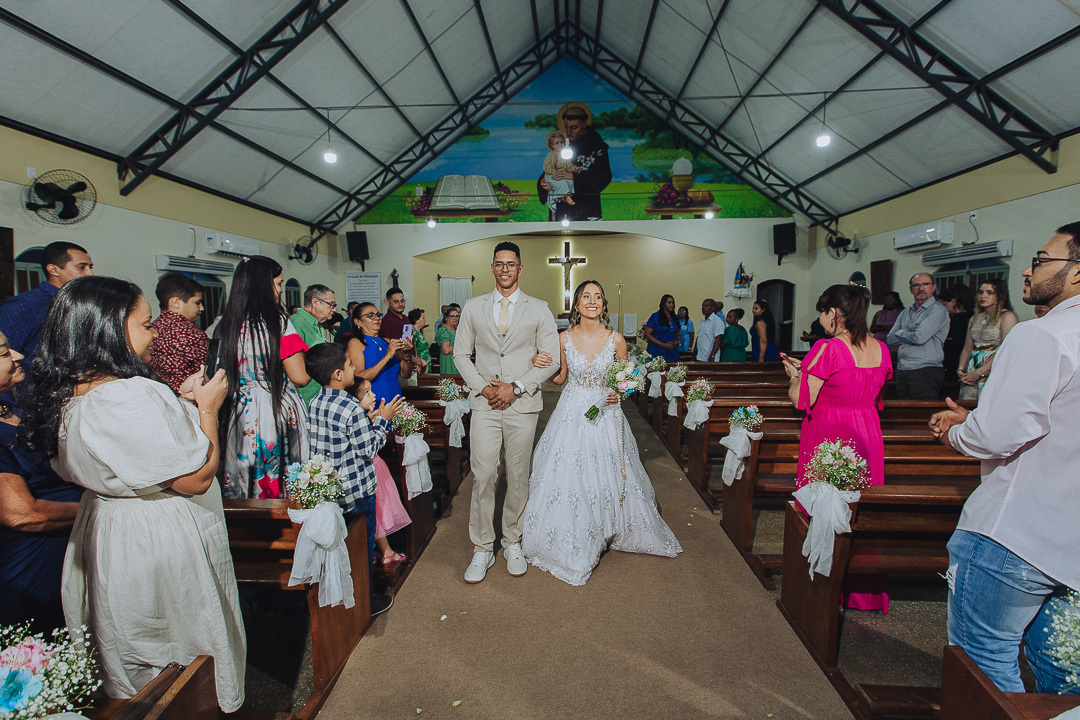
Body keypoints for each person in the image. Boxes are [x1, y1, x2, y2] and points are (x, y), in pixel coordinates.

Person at [18, 276, 245, 711]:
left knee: (126, 637)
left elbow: (129, 451)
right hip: (154, 532)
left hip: (108, 528)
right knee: (176, 640)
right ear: (108, 330)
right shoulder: (129, 396)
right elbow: (196, 476)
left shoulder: (70, 390)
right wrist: (207, 408)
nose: (156, 332)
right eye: (145, 324)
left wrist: (177, 403)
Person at [929, 223, 1080, 695]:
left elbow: (997, 434)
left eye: (1040, 259)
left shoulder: (1044, 334)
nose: (1029, 269)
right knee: (1061, 674)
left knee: (983, 665)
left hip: (1016, 531)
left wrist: (957, 430)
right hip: (1071, 539)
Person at [522, 280, 682, 585]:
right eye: (586, 296)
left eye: (597, 296)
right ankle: (580, 528)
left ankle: (608, 523)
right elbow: (560, 378)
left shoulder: (616, 339)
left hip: (606, 412)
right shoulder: (563, 338)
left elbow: (632, 375)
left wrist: (619, 392)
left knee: (608, 467)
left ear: (604, 304)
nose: (592, 301)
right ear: (577, 304)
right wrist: (538, 361)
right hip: (572, 410)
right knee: (571, 469)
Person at [454, 241, 561, 583]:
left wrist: (515, 387)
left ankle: (512, 541)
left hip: (522, 403)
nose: (504, 269)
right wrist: (484, 387)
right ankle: (483, 547)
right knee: (484, 474)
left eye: (510, 264)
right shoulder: (474, 307)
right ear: (492, 268)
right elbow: (460, 355)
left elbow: (553, 359)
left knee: (517, 476)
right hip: (484, 403)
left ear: (520, 268)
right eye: (499, 263)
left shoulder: (540, 308)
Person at [782, 284, 893, 612]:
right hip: (867, 434)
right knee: (858, 509)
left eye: (822, 311)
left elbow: (801, 399)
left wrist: (794, 376)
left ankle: (819, 587)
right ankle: (862, 591)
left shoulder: (827, 348)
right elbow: (872, 395)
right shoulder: (881, 349)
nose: (821, 319)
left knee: (825, 506)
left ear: (835, 313)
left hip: (830, 434)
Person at [304, 343, 405, 618]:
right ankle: (366, 601)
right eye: (349, 365)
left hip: (332, 489)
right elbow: (368, 449)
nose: (353, 369)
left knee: (345, 546)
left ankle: (344, 597)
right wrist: (382, 421)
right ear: (338, 374)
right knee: (364, 547)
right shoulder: (350, 406)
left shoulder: (314, 402)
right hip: (358, 490)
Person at [0, 330, 82, 635]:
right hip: (29, 573)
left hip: (58, 562)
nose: (19, 355)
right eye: (4, 352)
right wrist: (93, 506)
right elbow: (21, 514)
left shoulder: (13, 409)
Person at [216, 256, 311, 499]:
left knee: (244, 472)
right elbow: (299, 377)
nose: (280, 290)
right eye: (278, 284)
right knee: (278, 472)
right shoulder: (278, 324)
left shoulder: (223, 325)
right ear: (263, 285)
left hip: (238, 412)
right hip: (274, 407)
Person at [0, 242, 94, 402]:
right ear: (54, 269)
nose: (90, 274)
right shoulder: (27, 305)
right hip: (29, 406)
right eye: (82, 267)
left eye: (90, 267)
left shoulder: (74, 305)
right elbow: (4, 363)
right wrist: (7, 413)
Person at [536, 102, 612, 221]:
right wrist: (543, 183)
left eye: (574, 127)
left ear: (584, 124)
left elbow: (603, 177)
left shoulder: (597, 145)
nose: (569, 131)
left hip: (587, 208)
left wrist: (574, 177)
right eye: (566, 127)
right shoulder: (561, 143)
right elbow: (551, 167)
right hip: (561, 209)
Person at [887, 273, 949, 399]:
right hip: (903, 369)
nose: (921, 288)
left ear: (933, 287)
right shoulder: (906, 312)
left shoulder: (937, 310)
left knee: (922, 416)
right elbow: (890, 338)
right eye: (916, 285)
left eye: (925, 284)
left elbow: (919, 338)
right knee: (903, 415)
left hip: (925, 370)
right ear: (911, 289)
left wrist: (901, 332)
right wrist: (910, 334)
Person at [957, 280, 1018, 400]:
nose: (983, 296)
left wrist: (979, 373)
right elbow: (967, 348)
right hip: (972, 367)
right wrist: (961, 370)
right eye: (980, 292)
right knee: (967, 406)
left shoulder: (1007, 317)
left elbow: (1005, 350)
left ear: (999, 296)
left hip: (993, 368)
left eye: (989, 292)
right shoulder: (975, 318)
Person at [148, 273, 208, 394]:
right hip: (192, 400)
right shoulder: (192, 334)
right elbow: (207, 374)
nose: (201, 308)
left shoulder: (150, 330)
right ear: (176, 302)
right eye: (197, 303)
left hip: (160, 397)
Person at [345, 302, 410, 404]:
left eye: (378, 315)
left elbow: (405, 374)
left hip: (394, 392)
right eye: (370, 315)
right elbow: (359, 377)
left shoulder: (387, 341)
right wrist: (387, 356)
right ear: (358, 322)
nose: (376, 318)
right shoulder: (356, 343)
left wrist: (407, 354)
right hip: (374, 395)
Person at [291, 284, 336, 405]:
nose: (334, 309)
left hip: (317, 395)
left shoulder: (316, 325)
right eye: (331, 304)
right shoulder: (297, 323)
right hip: (304, 396)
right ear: (315, 302)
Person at [937, 284, 975, 378]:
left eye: (944, 304)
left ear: (953, 302)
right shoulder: (974, 317)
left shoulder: (958, 321)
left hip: (955, 366)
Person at [542, 130, 579, 213]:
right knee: (562, 183)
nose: (560, 145)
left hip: (560, 175)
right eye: (557, 143)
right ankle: (563, 197)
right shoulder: (550, 156)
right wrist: (553, 166)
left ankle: (566, 195)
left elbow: (569, 166)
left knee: (570, 181)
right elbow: (546, 169)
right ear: (551, 146)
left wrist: (575, 168)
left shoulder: (565, 155)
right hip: (551, 177)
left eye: (562, 142)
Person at [643, 294, 680, 362]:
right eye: (669, 302)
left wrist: (677, 342)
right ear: (663, 304)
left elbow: (678, 333)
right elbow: (647, 334)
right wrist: (663, 345)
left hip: (672, 351)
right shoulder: (655, 316)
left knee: (672, 371)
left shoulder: (676, 317)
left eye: (673, 303)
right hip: (657, 349)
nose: (671, 304)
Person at [436, 304, 460, 374]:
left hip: (457, 361)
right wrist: (461, 347)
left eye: (457, 316)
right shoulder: (444, 330)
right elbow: (446, 350)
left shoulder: (456, 330)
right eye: (452, 316)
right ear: (446, 318)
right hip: (448, 362)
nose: (455, 318)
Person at [409, 308, 430, 375]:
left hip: (426, 364)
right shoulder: (413, 333)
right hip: (420, 364)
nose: (425, 320)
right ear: (416, 320)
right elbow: (412, 349)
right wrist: (418, 361)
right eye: (423, 318)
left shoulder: (419, 332)